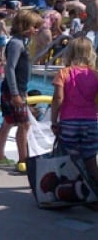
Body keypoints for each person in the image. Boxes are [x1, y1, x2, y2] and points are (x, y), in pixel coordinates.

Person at [0, 9, 43, 173]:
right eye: (34, 27)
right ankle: (23, 160)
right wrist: (15, 94)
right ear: (25, 26)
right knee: (25, 124)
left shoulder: (20, 42)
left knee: (8, 122)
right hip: (13, 91)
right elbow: (10, 68)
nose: (36, 30)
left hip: (16, 89)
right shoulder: (16, 44)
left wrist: (22, 91)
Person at [50, 36, 98, 190]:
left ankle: (73, 191)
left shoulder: (64, 73)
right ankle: (94, 193)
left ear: (69, 53)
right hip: (91, 121)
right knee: (90, 159)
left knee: (71, 159)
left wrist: (53, 121)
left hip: (69, 121)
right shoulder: (95, 75)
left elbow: (58, 98)